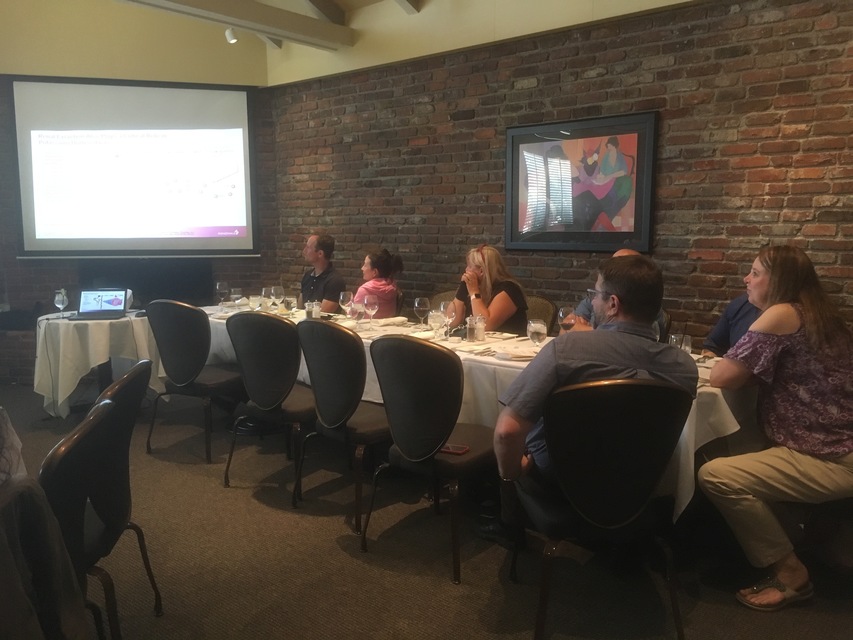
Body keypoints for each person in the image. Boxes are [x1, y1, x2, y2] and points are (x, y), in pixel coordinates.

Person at [486, 255, 697, 542]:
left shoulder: (565, 349)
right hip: (640, 484)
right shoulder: (685, 367)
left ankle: (509, 528)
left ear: (613, 304)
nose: (592, 301)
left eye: (595, 294)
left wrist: (512, 473)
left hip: (560, 484)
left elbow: (507, 432)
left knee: (513, 448)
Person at [697, 245, 853, 612]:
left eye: (755, 273)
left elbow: (722, 375)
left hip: (830, 458)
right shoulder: (821, 315)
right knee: (731, 443)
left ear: (778, 280)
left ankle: (790, 572)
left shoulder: (782, 313)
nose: (746, 279)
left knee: (716, 474)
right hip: (834, 446)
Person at [566, 248, 668, 339]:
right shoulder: (594, 299)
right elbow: (566, 327)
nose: (613, 271)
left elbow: (635, 341)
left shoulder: (649, 310)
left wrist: (589, 332)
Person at [448, 244, 528, 335]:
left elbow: (485, 326)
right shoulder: (474, 287)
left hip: (508, 343)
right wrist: (462, 289)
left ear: (481, 271)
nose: (466, 269)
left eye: (469, 266)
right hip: (478, 342)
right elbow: (451, 322)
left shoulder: (509, 289)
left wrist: (474, 292)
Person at [299, 233, 346, 313]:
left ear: (320, 253)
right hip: (304, 320)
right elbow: (299, 309)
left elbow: (322, 314)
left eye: (308, 247)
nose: (304, 251)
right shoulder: (307, 275)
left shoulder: (335, 280)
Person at [353, 249, 404, 320]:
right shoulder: (393, 287)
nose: (362, 268)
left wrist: (350, 306)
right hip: (388, 326)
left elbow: (353, 315)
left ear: (374, 272)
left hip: (366, 326)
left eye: (365, 265)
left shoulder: (364, 290)